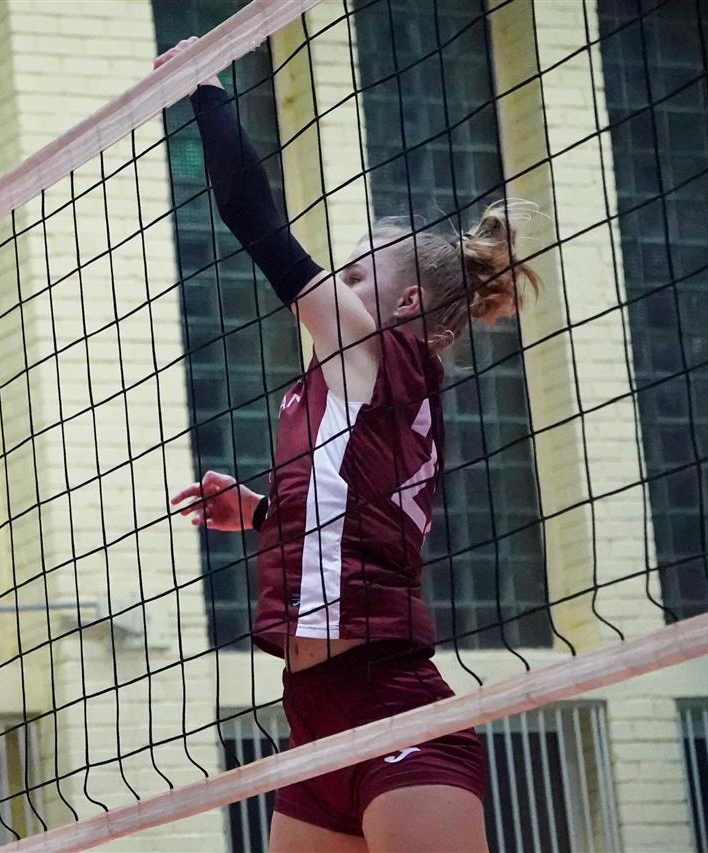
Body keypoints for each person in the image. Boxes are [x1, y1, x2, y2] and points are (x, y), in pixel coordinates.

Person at [157, 38, 540, 853]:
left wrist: (203, 87)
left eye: (357, 276)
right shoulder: (341, 391)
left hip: (392, 704)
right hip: (313, 715)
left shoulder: (381, 357)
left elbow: (255, 219)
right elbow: (357, 514)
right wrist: (262, 514)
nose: (338, 284)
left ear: (405, 302)